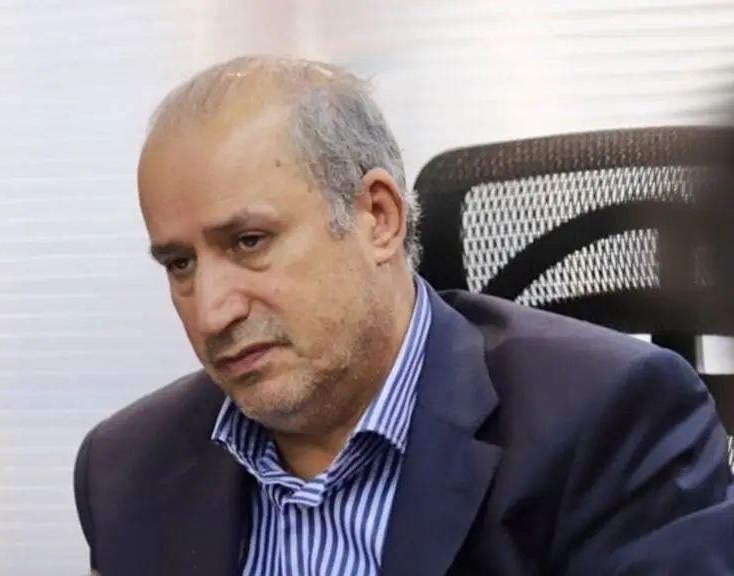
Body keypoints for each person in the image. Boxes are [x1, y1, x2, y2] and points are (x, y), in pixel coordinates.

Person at [73, 55, 734, 576]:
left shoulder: (607, 420)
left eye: (249, 242)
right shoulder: (126, 470)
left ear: (378, 218)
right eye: (179, 264)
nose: (213, 311)